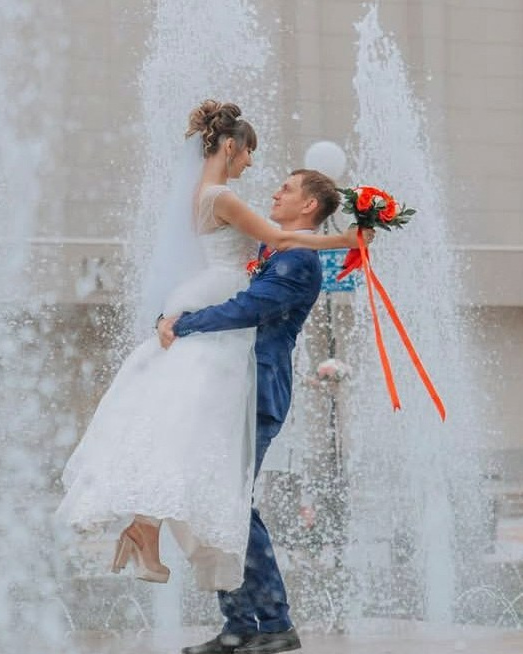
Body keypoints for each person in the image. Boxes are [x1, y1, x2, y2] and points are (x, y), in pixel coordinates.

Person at [56, 100, 367, 600]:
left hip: (205, 297)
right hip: (216, 307)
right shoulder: (222, 195)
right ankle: (157, 538)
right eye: (248, 154)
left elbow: (272, 247)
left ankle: (146, 529)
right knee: (190, 438)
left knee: (177, 429)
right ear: (229, 145)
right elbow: (278, 237)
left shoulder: (202, 193)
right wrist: (350, 240)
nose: (252, 167)